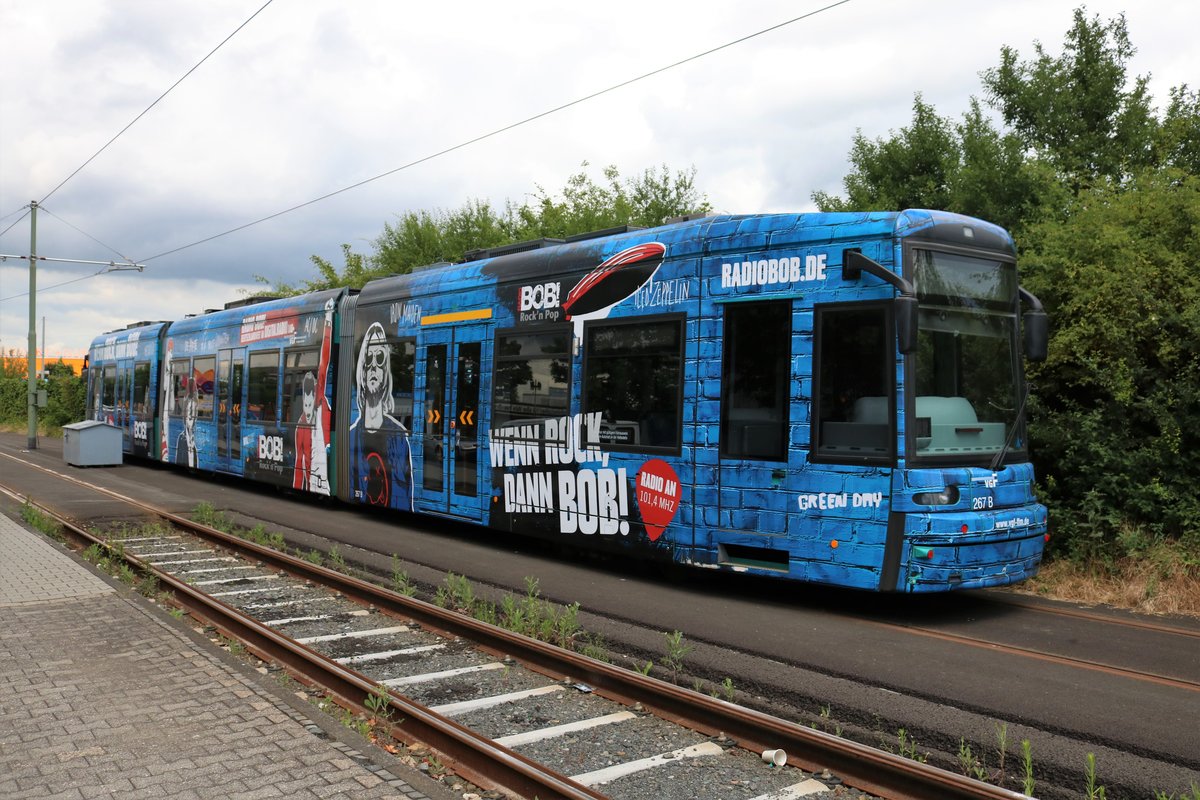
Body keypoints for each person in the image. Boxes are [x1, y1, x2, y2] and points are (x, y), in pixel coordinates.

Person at [349, 321, 413, 510]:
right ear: (362, 370)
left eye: (380, 359)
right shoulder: (351, 437)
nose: (374, 366)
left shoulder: (400, 438)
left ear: (386, 373)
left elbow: (406, 495)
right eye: (369, 359)